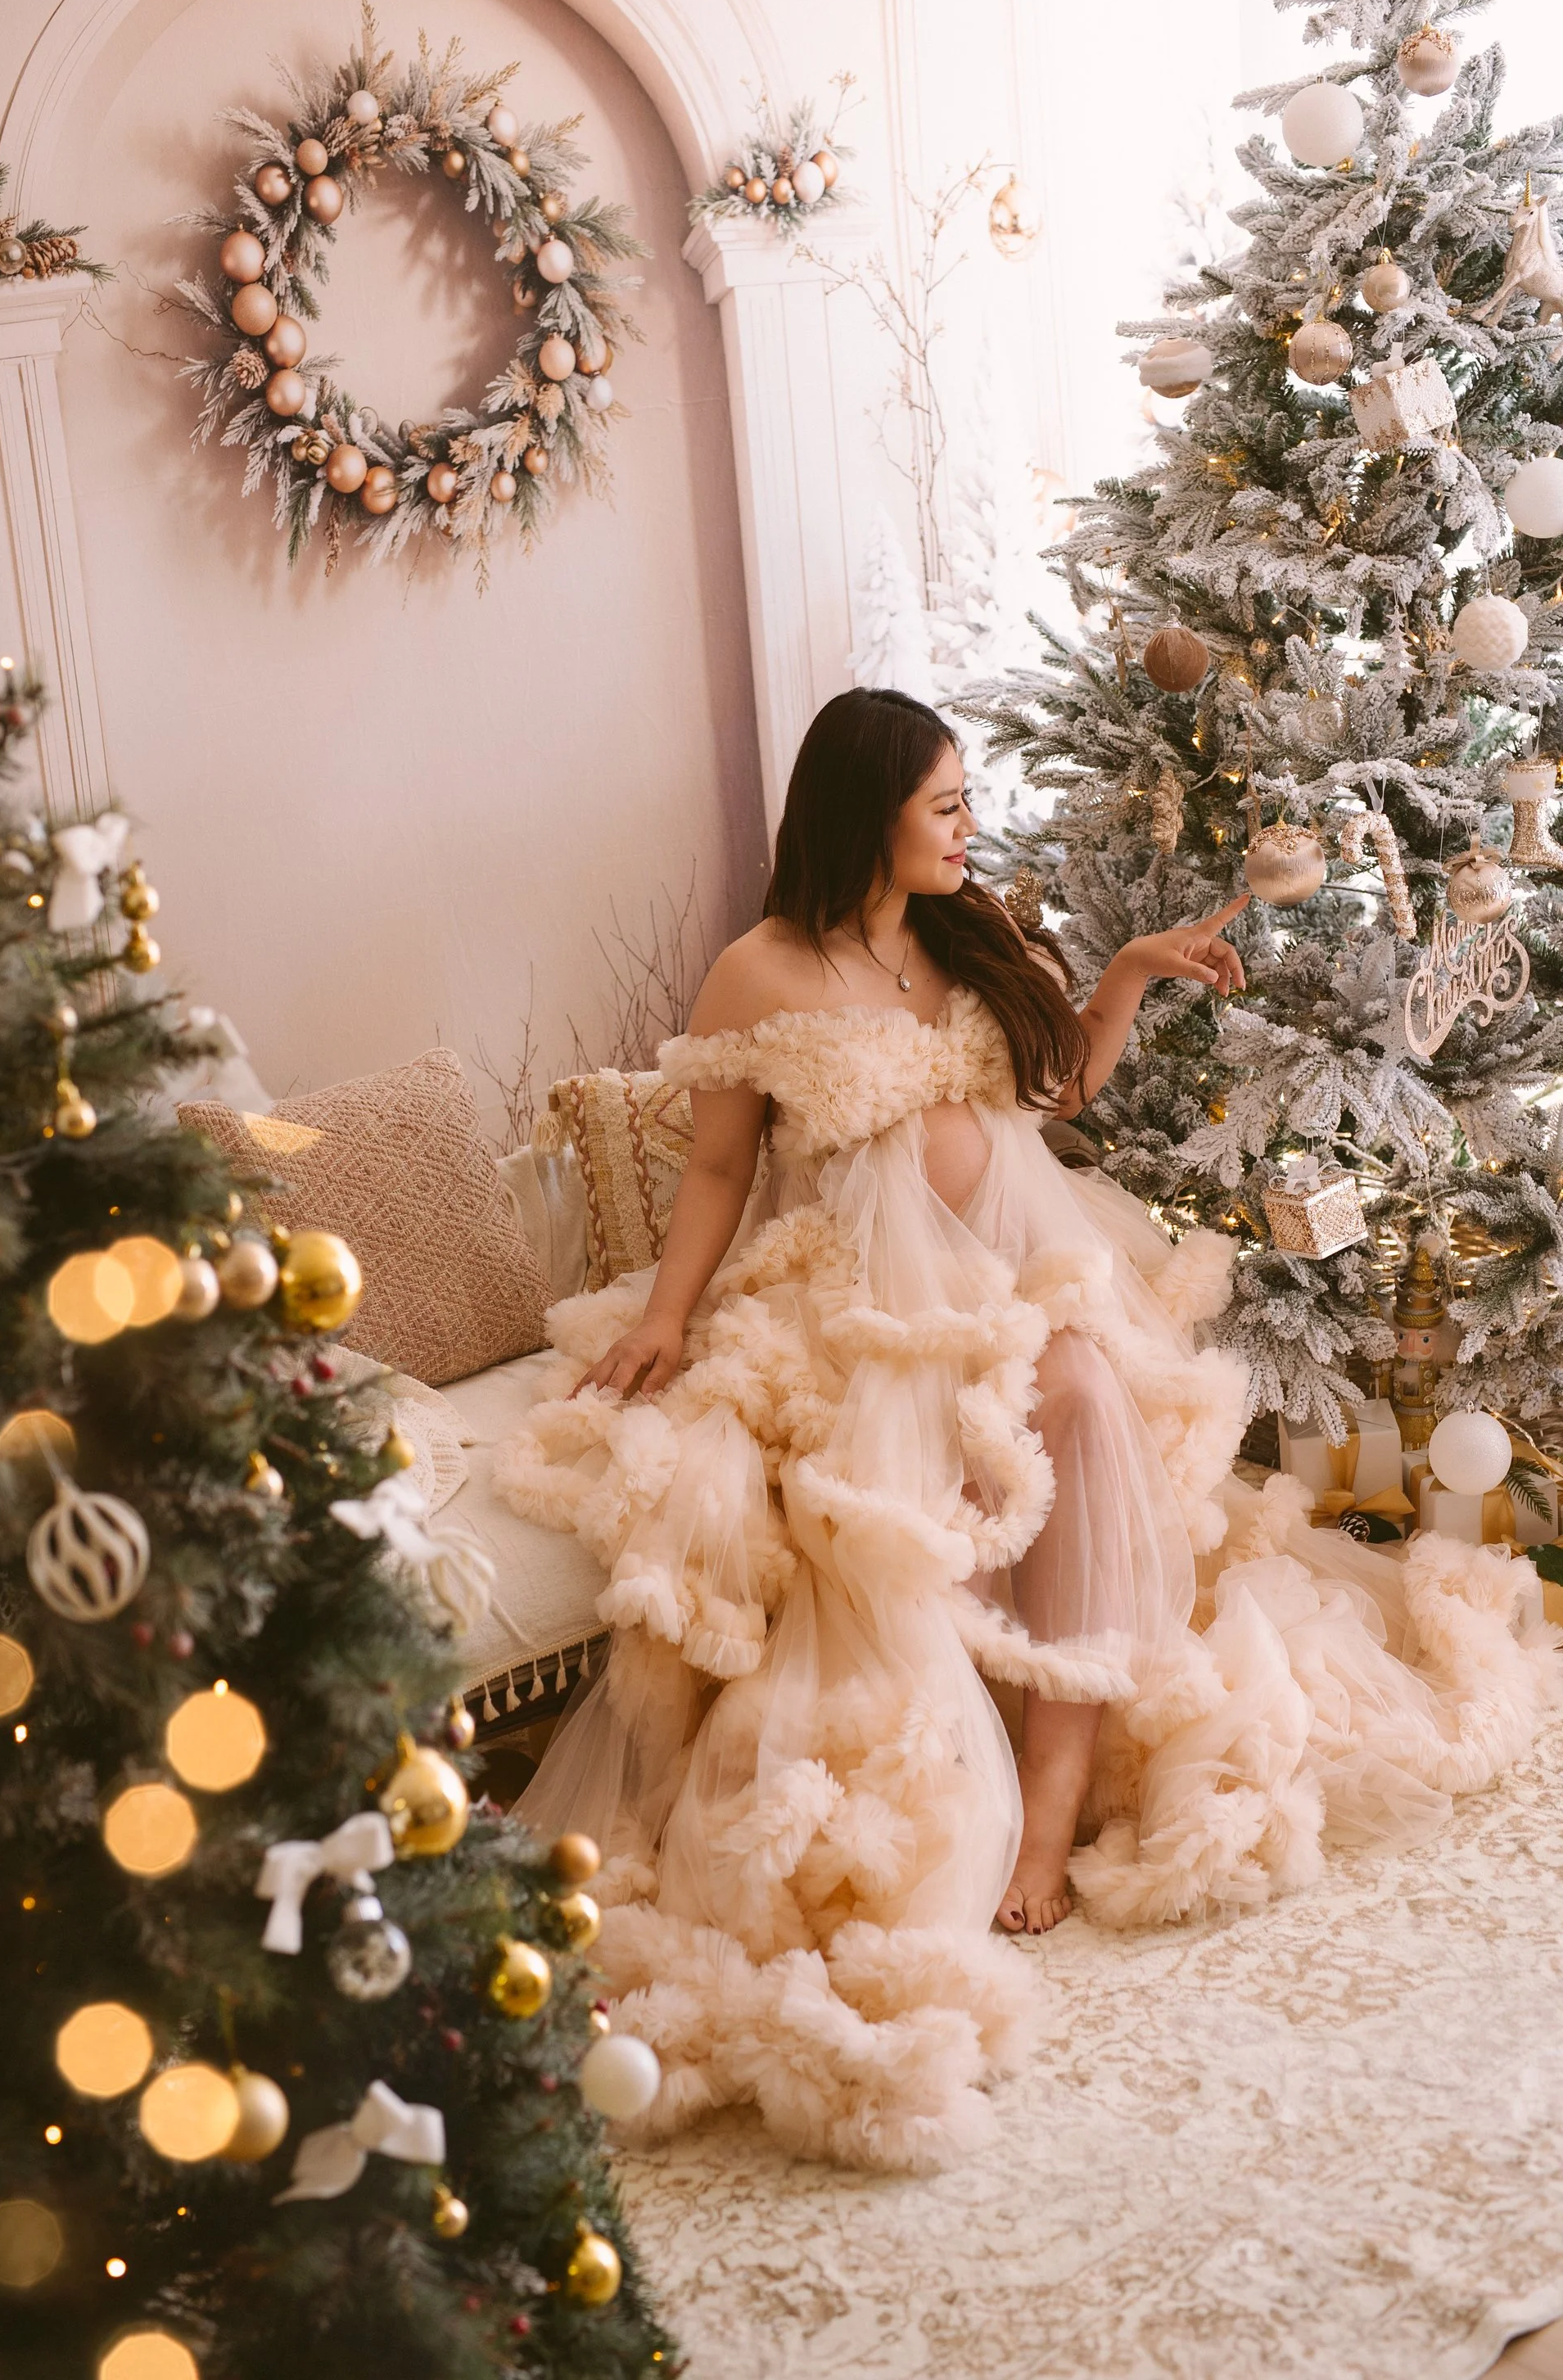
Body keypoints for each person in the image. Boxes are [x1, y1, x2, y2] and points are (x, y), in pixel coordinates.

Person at [496, 688, 1561, 2173]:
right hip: (861, 1302)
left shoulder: (966, 932)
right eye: (945, 801)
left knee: (1084, 1398)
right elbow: (721, 1171)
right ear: (864, 809)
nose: (968, 821)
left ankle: (1050, 1807)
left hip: (1021, 1271)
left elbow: (1056, 1091)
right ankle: (958, 1773)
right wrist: (669, 1316)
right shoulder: (758, 972)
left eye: (968, 796)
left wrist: (1123, 973)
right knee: (898, 1488)